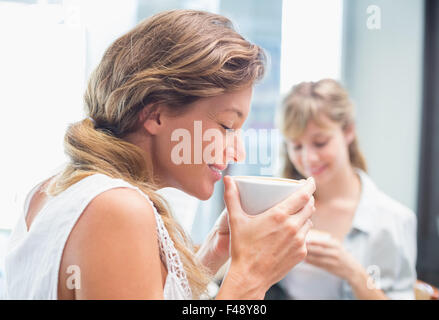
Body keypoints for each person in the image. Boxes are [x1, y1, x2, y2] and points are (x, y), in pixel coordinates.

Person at [4, 10, 316, 300]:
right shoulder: (117, 208)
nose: (237, 151)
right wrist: (252, 276)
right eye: (226, 126)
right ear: (155, 115)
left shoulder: (56, 189)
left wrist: (211, 255)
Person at [276, 79, 417, 299]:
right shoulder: (281, 209)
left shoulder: (394, 220)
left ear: (348, 131)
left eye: (320, 143)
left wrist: (353, 273)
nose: (308, 158)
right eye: (296, 146)